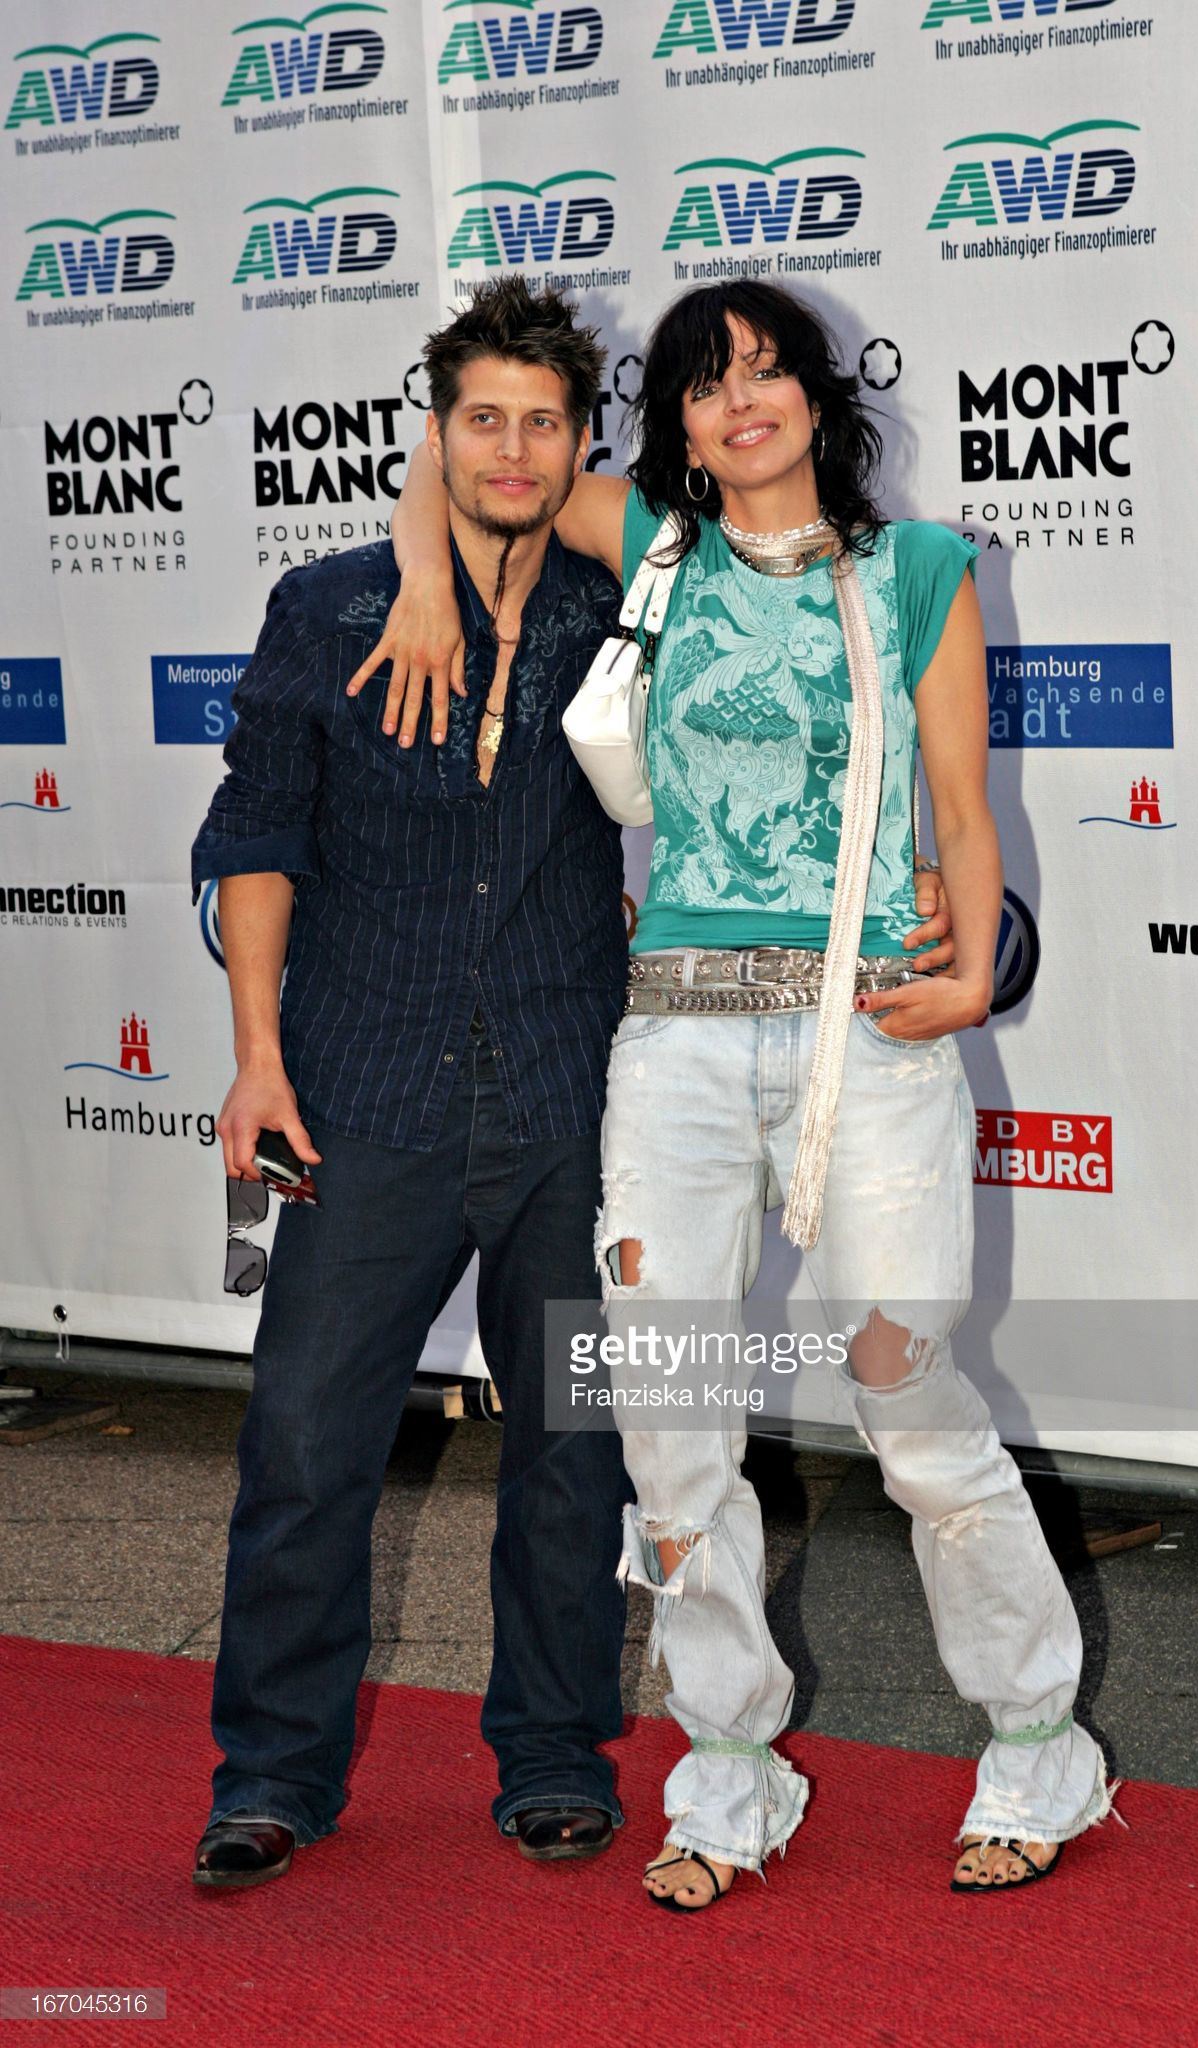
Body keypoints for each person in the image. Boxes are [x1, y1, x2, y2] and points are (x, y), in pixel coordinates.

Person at [370, 277, 1114, 1911]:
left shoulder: (919, 570)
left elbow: (963, 812)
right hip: (681, 1043)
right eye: (708, 384)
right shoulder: (651, 542)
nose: (742, 402)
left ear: (820, 400)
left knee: (909, 1405)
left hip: (872, 1034)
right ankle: (728, 1758)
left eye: (769, 372)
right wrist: (427, 584)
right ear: (682, 427)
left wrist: (975, 973)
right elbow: (462, 463)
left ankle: (1038, 1738)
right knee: (669, 1422)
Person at [188, 279, 640, 1888]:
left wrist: (454, 566)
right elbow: (255, 837)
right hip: (360, 1087)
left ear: (582, 443)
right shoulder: (326, 611)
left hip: (568, 1095)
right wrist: (256, 1060)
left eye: (543, 423)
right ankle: (273, 1774)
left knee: (572, 1448)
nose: (512, 450)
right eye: (482, 420)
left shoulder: (622, 605)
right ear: (433, 432)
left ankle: (554, 1753)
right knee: (307, 1445)